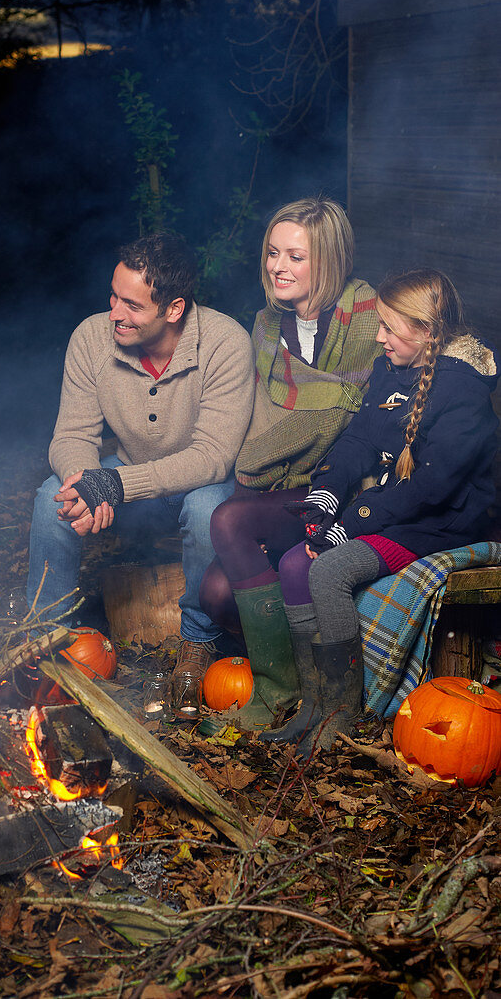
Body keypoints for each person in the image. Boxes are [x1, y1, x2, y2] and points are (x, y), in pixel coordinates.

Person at [265, 269, 498, 753]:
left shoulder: (464, 394)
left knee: (329, 571)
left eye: (390, 328)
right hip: (398, 506)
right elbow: (360, 441)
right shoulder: (389, 369)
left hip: (442, 523)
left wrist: (349, 525)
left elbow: (432, 489)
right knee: (292, 564)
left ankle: (342, 713)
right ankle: (314, 703)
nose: (379, 337)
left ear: (428, 332)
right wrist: (324, 494)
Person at [26, 232, 255, 707]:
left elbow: (214, 455)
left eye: (131, 305)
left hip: (197, 483)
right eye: (113, 296)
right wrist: (88, 482)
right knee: (52, 497)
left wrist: (113, 484)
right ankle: (44, 642)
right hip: (126, 477)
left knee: (211, 505)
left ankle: (198, 642)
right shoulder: (91, 337)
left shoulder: (225, 342)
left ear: (173, 309)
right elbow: (72, 435)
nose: (115, 312)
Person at [199, 198, 381, 727]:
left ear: (330, 260)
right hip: (280, 487)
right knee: (213, 592)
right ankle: (295, 677)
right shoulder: (263, 326)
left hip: (345, 487)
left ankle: (278, 692)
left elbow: (356, 417)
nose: (279, 266)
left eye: (296, 256)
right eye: (273, 253)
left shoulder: (366, 316)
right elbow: (262, 422)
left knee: (227, 519)